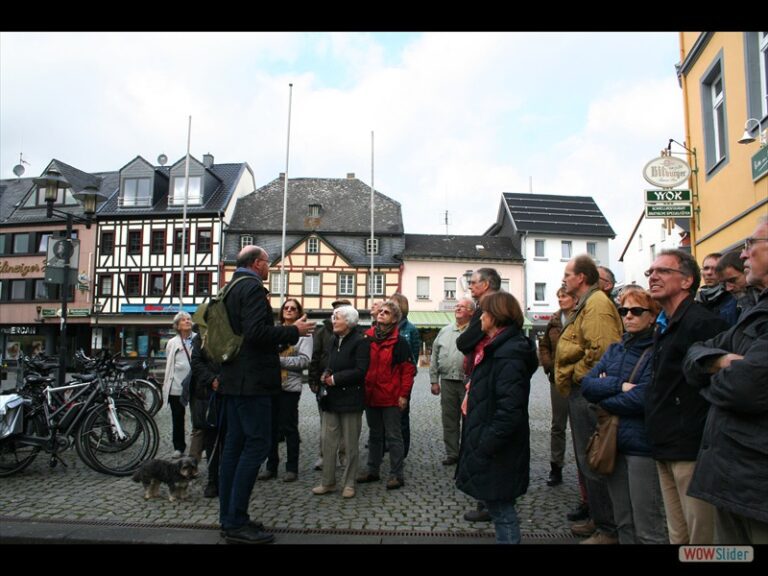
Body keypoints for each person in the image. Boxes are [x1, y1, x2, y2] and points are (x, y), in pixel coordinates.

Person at [217, 245, 314, 545]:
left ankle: (230, 517)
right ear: (258, 264)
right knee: (256, 446)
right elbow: (257, 334)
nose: (269, 268)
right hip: (253, 382)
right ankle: (236, 522)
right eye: (267, 263)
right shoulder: (253, 289)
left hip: (233, 379)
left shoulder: (229, 288)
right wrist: (293, 331)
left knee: (233, 447)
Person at [683, 218, 768, 544]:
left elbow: (746, 387)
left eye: (750, 245)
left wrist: (708, 376)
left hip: (757, 486)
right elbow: (692, 357)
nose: (743, 255)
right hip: (734, 480)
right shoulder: (756, 310)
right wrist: (718, 362)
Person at [644, 249, 729, 544]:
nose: (653, 276)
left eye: (663, 271)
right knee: (677, 534)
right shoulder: (665, 323)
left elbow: (714, 384)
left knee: (700, 536)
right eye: (650, 272)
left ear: (686, 281)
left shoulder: (701, 323)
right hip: (665, 441)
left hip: (691, 446)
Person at [581, 289, 667, 544]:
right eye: (623, 311)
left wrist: (604, 395)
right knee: (624, 521)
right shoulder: (615, 349)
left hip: (642, 446)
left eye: (636, 311)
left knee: (647, 525)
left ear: (652, 316)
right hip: (613, 443)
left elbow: (644, 398)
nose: (628, 316)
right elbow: (587, 386)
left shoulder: (657, 351)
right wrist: (619, 386)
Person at [455, 292, 538, 544]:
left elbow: (509, 410)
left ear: (496, 316)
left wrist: (485, 444)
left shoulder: (508, 354)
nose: (480, 318)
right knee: (498, 506)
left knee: (503, 511)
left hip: (498, 447)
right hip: (490, 440)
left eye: (484, 313)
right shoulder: (496, 348)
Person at [555, 254, 623, 544]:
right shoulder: (587, 304)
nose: (564, 280)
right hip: (581, 391)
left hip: (587, 392)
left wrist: (575, 375)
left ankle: (608, 529)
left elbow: (602, 352)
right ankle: (599, 519)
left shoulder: (596, 305)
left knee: (594, 460)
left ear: (581, 278)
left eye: (568, 274)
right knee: (587, 461)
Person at [456, 267, 500, 523]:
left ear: (485, 284)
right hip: (482, 379)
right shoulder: (496, 304)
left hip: (485, 382)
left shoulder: (489, 307)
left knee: (482, 438)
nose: (470, 286)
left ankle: (488, 501)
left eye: (473, 282)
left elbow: (464, 342)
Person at [357, 300, 415, 490]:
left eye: (386, 312)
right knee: (374, 435)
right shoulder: (367, 337)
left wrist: (404, 395)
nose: (381, 314)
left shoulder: (400, 342)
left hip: (391, 396)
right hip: (371, 395)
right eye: (380, 311)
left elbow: (407, 371)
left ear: (395, 318)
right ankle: (372, 470)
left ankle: (396, 475)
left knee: (393, 436)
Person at [312, 305, 370, 498]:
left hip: (351, 399)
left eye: (337, 317)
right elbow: (329, 362)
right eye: (333, 317)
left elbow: (361, 371)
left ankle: (349, 484)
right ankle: (328, 482)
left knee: (351, 444)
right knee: (328, 442)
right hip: (331, 399)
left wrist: (335, 379)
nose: (333, 320)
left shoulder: (361, 341)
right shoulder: (332, 339)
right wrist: (326, 373)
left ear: (349, 322)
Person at [259, 298, 313, 483]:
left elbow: (304, 361)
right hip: (270, 385)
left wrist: (277, 361)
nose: (289, 310)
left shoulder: (304, 334)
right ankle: (271, 467)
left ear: (298, 312)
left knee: (289, 428)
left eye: (293, 308)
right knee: (270, 428)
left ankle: (292, 468)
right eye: (286, 307)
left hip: (290, 387)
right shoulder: (275, 331)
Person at [537, 287, 575, 487]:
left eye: (565, 295)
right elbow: (544, 346)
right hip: (556, 379)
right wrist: (549, 364)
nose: (561, 299)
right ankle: (556, 467)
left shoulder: (580, 318)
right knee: (558, 425)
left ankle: (585, 469)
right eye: (559, 296)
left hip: (577, 379)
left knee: (580, 425)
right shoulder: (553, 322)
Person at [308, 299, 352, 471]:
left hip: (346, 384)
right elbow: (315, 356)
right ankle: (324, 456)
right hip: (324, 384)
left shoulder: (354, 333)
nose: (337, 314)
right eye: (335, 311)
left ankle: (344, 456)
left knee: (345, 425)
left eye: (341, 311)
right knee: (325, 424)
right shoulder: (321, 332)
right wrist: (313, 380)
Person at [430, 297, 474, 466]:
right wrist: (434, 380)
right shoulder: (444, 331)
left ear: (471, 312)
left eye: (462, 307)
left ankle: (468, 452)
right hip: (447, 381)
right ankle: (452, 453)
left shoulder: (474, 331)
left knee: (469, 419)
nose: (458, 308)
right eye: (457, 306)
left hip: (467, 382)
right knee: (449, 420)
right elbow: (434, 355)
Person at [190, 331, 222, 498]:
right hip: (207, 394)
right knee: (211, 440)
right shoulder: (200, 336)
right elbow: (196, 361)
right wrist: (211, 379)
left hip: (231, 390)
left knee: (231, 439)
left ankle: (227, 479)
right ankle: (213, 480)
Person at [389, 293, 421, 459]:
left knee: (402, 415)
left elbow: (413, 357)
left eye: (392, 303)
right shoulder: (385, 327)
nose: (389, 306)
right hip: (386, 378)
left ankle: (402, 451)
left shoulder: (411, 330)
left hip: (403, 380)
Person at [162, 311, 196, 459]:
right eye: (184, 320)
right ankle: (179, 447)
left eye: (189, 319)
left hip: (195, 383)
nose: (187, 321)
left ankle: (199, 447)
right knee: (177, 417)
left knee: (198, 417)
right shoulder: (172, 342)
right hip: (176, 384)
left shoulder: (198, 339)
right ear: (177, 325)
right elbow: (170, 362)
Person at [715, 250, 760, 318]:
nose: (728, 288)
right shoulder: (728, 311)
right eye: (723, 284)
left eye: (732, 280)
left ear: (748, 272)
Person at [696, 252, 738, 326]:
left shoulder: (734, 300)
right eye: (706, 268)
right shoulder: (697, 301)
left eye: (715, 268)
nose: (709, 272)